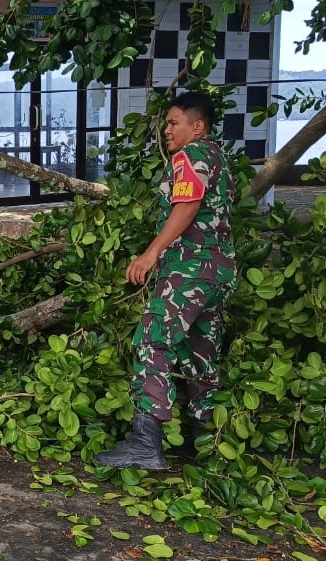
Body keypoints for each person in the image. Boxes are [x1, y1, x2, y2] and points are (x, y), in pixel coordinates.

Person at [95, 91, 237, 470]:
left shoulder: (189, 156)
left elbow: (187, 205)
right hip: (218, 273)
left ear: (198, 126)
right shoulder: (219, 158)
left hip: (189, 270)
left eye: (174, 123)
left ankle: (146, 442)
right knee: (200, 354)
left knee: (153, 340)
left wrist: (152, 252)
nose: (166, 130)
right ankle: (206, 443)